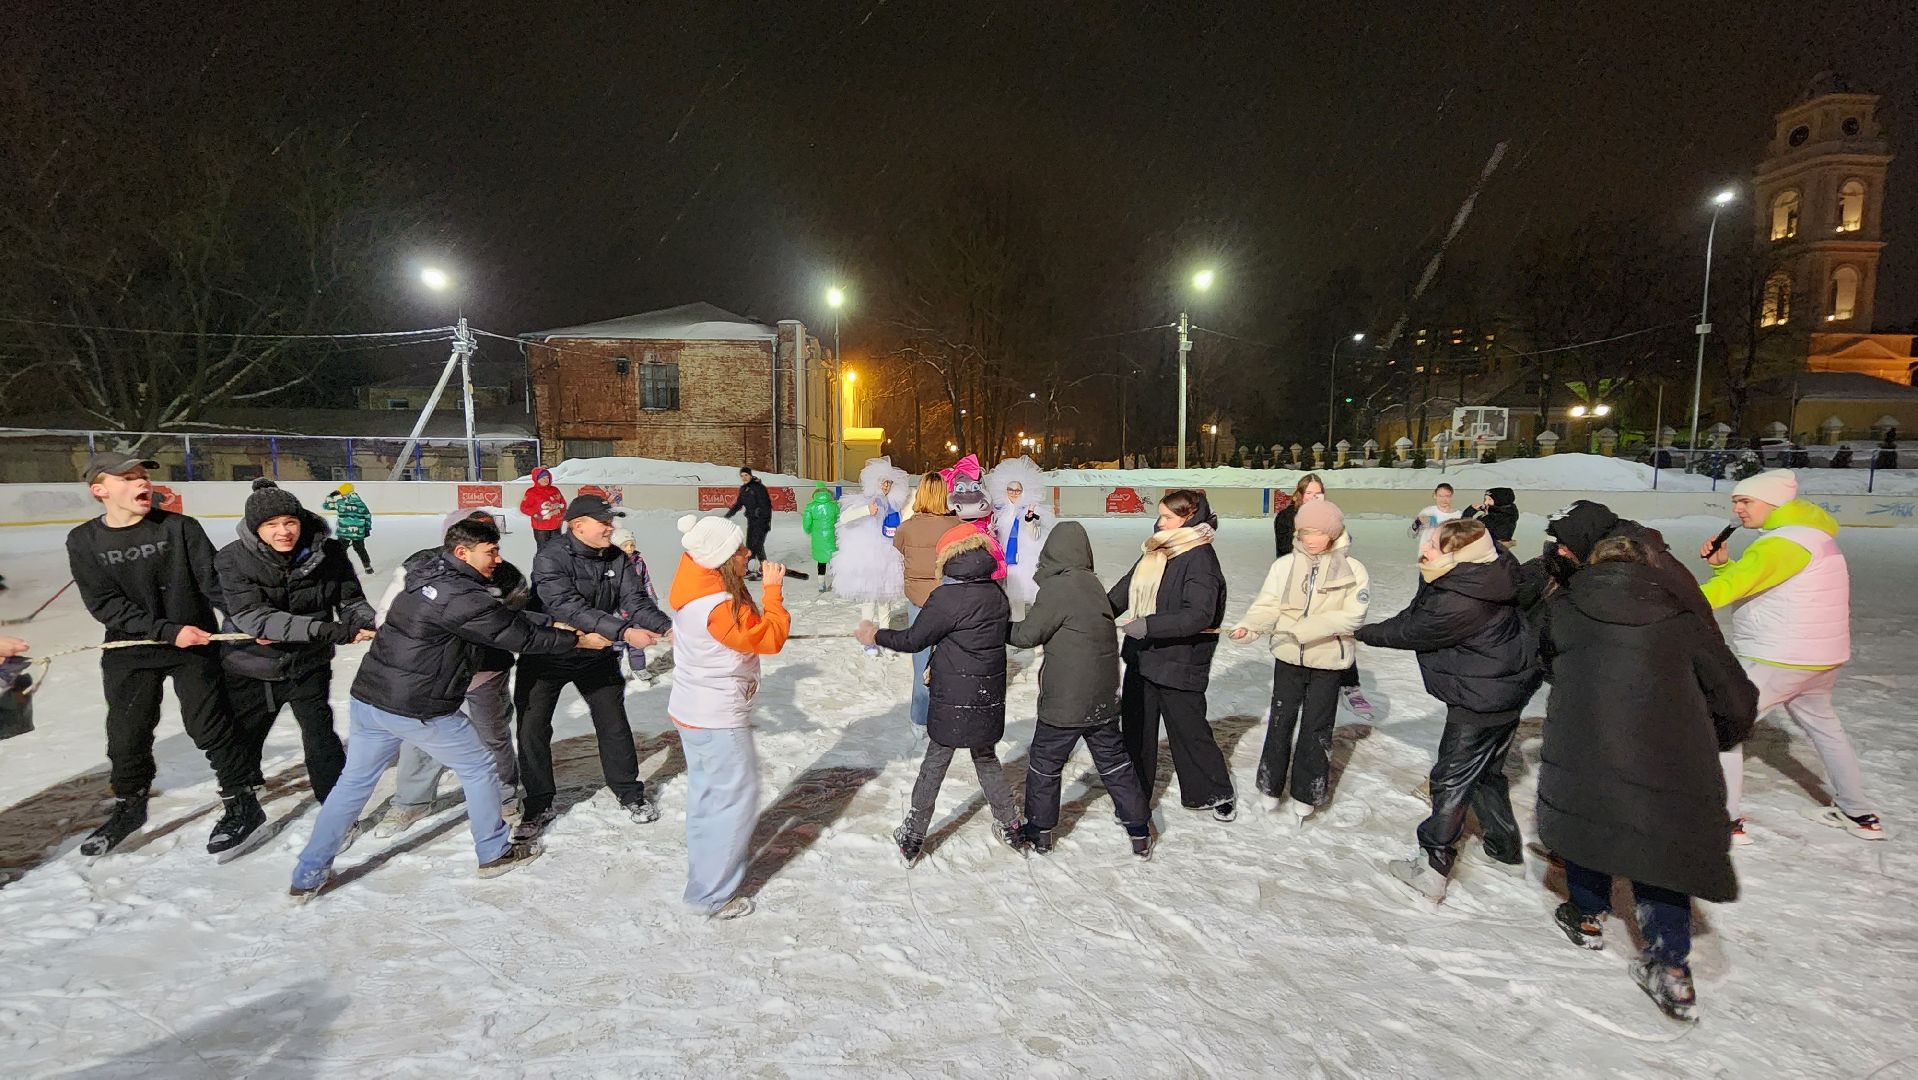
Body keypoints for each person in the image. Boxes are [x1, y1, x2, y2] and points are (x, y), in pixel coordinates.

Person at [289, 515, 605, 900]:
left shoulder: (429, 573)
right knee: (479, 766)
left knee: (353, 785)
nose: (499, 559)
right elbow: (516, 634)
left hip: (372, 698)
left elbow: (501, 615)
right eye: (491, 551)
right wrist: (576, 642)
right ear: (462, 552)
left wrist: (555, 623)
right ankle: (494, 851)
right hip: (418, 705)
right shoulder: (463, 597)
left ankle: (308, 873)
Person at [1536, 535, 1758, 1023]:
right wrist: (1715, 735)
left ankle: (1588, 912)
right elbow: (1734, 694)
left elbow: (1547, 661)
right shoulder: (1682, 619)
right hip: (1665, 748)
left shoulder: (1565, 609)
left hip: (1585, 738)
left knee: (1590, 815)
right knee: (1659, 846)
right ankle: (1670, 963)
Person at [65, 453, 261, 857]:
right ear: (99, 490)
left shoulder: (180, 529)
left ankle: (242, 801)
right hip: (133, 646)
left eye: (142, 477)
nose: (141, 484)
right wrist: (166, 631)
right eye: (127, 478)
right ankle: (130, 806)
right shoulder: (83, 540)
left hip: (194, 644)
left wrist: (252, 623)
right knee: (126, 735)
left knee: (208, 726)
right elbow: (104, 604)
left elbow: (214, 584)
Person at [1357, 518, 1543, 902]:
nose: (1423, 551)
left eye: (1435, 547)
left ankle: (1432, 867)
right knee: (1486, 773)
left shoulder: (1460, 597)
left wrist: (1360, 632)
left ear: (1460, 555)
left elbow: (1412, 630)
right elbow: (1418, 612)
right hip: (1504, 685)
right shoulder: (1486, 569)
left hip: (1482, 693)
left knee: (1450, 779)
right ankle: (1504, 852)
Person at [1699, 469, 1883, 843]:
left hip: (1781, 657)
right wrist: (1722, 563)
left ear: (1774, 503)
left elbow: (1732, 588)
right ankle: (1858, 812)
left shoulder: (1780, 544)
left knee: (1722, 723)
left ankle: (1726, 821)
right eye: (1735, 500)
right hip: (1820, 657)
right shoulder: (1811, 538)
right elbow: (1766, 584)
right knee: (1826, 730)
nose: (1738, 509)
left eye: (1746, 501)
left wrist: (1667, 602)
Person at [858, 523, 1026, 863]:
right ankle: (1010, 822)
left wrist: (875, 635)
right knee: (986, 757)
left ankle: (913, 834)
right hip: (987, 692)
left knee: (936, 761)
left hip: (952, 694)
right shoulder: (996, 593)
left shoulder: (946, 597)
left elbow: (913, 640)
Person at [514, 493, 673, 837]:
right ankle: (538, 801)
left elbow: (635, 601)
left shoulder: (617, 557)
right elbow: (565, 606)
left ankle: (630, 792)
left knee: (613, 724)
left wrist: (666, 626)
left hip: (595, 655)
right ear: (578, 525)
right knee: (532, 728)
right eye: (604, 522)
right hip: (547, 654)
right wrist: (625, 631)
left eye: (611, 522)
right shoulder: (550, 557)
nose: (610, 528)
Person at [215, 479, 376, 808]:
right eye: (271, 524)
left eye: (290, 522)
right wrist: (328, 631)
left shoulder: (329, 553)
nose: (283, 531)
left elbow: (351, 601)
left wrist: (372, 623)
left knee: (320, 736)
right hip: (250, 664)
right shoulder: (232, 559)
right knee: (246, 733)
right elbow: (253, 616)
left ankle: (335, 805)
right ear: (254, 528)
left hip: (308, 663)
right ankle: (243, 798)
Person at [373, 510, 534, 836]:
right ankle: (411, 802)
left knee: (492, 734)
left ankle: (503, 794)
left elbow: (517, 625)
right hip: (431, 673)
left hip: (484, 673)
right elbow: (388, 616)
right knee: (423, 736)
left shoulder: (508, 577)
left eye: (490, 535)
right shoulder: (419, 567)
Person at [666, 514, 791, 919]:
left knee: (709, 799)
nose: (748, 552)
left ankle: (704, 882)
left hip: (694, 709)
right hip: (716, 715)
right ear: (721, 558)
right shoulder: (716, 605)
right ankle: (712, 895)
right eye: (739, 550)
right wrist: (773, 593)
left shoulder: (697, 583)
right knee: (734, 801)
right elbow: (767, 638)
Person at [1009, 522, 1153, 858]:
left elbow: (1027, 635)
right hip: (1102, 697)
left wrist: (994, 625)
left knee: (1045, 764)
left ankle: (1039, 831)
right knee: (1115, 763)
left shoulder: (1058, 589)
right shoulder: (1091, 584)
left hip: (1066, 702)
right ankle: (1139, 830)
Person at [1230, 499, 1370, 826]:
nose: (1309, 538)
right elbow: (1267, 604)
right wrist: (1250, 627)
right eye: (1305, 531)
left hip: (1328, 662)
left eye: (1318, 532)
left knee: (1316, 729)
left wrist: (1304, 629)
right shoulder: (1285, 566)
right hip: (1288, 657)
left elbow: (1353, 616)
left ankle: (1307, 793)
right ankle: (1269, 786)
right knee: (1280, 722)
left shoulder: (1354, 570)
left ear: (1334, 534)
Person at [1108, 489, 1237, 821]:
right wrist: (1099, 611)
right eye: (1160, 515)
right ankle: (1135, 796)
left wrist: (1148, 626)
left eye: (1167, 517)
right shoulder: (1156, 549)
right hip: (1144, 657)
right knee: (1137, 731)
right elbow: (1127, 586)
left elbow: (1199, 614)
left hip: (1181, 660)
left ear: (1189, 518)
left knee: (1189, 730)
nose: (1159, 522)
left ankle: (1214, 790)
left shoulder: (1201, 558)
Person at [1275, 473, 1373, 717]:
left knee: (1337, 630)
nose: (1314, 497)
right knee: (1300, 630)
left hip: (1331, 579)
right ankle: (1300, 678)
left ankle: (1350, 683)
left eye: (1318, 493)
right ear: (1300, 494)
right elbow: (1285, 551)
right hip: (1300, 581)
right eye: (1309, 493)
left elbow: (1342, 545)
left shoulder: (1330, 514)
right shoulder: (1287, 517)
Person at [892, 472, 955, 726]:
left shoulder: (905, 528)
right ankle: (947, 716)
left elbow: (896, 559)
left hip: (918, 601)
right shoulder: (956, 527)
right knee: (950, 662)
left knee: (920, 663)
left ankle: (919, 719)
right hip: (948, 602)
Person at [830, 457, 909, 656]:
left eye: (889, 483)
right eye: (883, 482)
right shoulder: (865, 501)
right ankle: (868, 641)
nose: (886, 486)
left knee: (885, 601)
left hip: (889, 558)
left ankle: (885, 639)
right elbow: (844, 519)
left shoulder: (895, 507)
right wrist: (866, 510)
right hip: (869, 557)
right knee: (869, 601)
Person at [985, 456, 1053, 620]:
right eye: (1011, 489)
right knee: (1012, 597)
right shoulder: (1000, 510)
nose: (1014, 493)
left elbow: (1036, 535)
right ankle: (1016, 625)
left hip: (1026, 560)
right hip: (1006, 559)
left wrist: (1030, 522)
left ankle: (1038, 626)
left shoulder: (1032, 509)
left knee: (1032, 594)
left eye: (1018, 490)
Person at [724, 466, 774, 580]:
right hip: (751, 521)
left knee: (756, 545)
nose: (744, 478)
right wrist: (728, 515)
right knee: (753, 545)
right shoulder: (743, 489)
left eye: (746, 475)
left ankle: (756, 569)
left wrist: (763, 518)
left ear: (750, 475)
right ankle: (761, 568)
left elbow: (766, 505)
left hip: (762, 521)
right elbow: (738, 505)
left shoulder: (759, 488)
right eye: (742, 476)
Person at [321, 482, 375, 573]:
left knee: (341, 549)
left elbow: (326, 506)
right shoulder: (360, 503)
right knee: (360, 548)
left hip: (344, 531)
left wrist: (331, 496)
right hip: (358, 531)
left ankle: (342, 566)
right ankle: (367, 566)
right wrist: (367, 528)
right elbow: (367, 515)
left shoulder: (340, 503)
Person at [799, 482, 839, 592]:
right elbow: (838, 519)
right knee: (833, 560)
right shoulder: (833, 505)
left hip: (818, 536)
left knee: (821, 561)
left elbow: (806, 523)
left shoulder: (811, 506)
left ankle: (821, 585)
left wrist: (809, 530)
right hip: (831, 536)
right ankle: (836, 583)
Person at [519, 468, 567, 549]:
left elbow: (563, 504)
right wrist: (534, 514)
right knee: (543, 551)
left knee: (556, 550)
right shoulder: (531, 492)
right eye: (543, 478)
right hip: (541, 528)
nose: (546, 480)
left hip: (556, 526)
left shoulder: (555, 490)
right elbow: (523, 507)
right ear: (537, 479)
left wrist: (561, 514)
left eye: (548, 477)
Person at [1410, 483, 1463, 549]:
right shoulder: (1427, 512)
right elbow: (1411, 534)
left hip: (1450, 552)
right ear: (1435, 496)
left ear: (1451, 496)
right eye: (1440, 496)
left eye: (1447, 496)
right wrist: (1418, 522)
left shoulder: (1459, 515)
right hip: (1427, 553)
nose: (1444, 499)